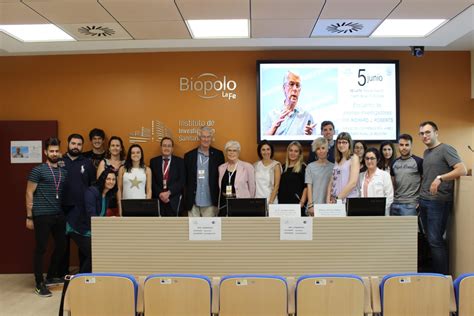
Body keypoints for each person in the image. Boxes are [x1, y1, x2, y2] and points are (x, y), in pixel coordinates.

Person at [418, 121, 466, 274]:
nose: (424, 136)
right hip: (425, 201)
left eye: (427, 132)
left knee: (435, 241)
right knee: (430, 240)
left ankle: (442, 279)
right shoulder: (426, 152)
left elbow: (462, 170)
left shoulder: (446, 149)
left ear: (436, 133)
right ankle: (435, 276)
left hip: (438, 202)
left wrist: (440, 177)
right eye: (421, 133)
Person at [25, 137, 67, 297]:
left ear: (60, 152)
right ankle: (38, 283)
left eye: (57, 151)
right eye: (51, 151)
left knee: (62, 246)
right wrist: (29, 217)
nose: (54, 153)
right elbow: (29, 192)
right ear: (45, 152)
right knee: (41, 249)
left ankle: (50, 276)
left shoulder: (63, 171)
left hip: (58, 214)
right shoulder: (38, 170)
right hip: (41, 215)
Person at [60, 133, 95, 277]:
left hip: (81, 210)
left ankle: (83, 273)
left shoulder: (87, 163)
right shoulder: (60, 161)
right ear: (68, 144)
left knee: (83, 244)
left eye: (79, 144)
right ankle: (61, 273)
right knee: (62, 244)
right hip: (61, 208)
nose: (76, 146)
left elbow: (92, 185)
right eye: (73, 143)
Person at [73, 168, 118, 273]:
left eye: (113, 179)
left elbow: (99, 216)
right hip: (79, 228)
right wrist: (108, 221)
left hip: (92, 229)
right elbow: (91, 215)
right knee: (94, 254)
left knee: (93, 254)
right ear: (103, 179)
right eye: (108, 179)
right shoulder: (92, 191)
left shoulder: (107, 195)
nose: (111, 182)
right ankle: (81, 281)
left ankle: (87, 278)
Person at [184, 126, 225, 217]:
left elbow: (221, 178)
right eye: (203, 136)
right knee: (193, 231)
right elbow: (185, 180)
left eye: (208, 137)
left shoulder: (218, 155)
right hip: (193, 203)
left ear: (211, 138)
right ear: (199, 138)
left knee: (209, 230)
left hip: (210, 203)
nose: (206, 139)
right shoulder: (189, 156)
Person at [263, 71, 316, 136]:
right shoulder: (272, 115)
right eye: (291, 84)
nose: (295, 89)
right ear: (284, 88)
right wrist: (274, 127)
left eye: (298, 85)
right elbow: (264, 142)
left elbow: (315, 143)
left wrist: (309, 136)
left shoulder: (307, 116)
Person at [218, 141, 256, 216]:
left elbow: (252, 189)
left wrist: (249, 204)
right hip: (224, 204)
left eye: (234, 150)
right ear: (226, 152)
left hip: (241, 204)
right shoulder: (221, 168)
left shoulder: (247, 167)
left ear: (238, 152)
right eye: (229, 150)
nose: (232, 153)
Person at [150, 137, 185, 216]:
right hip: (158, 201)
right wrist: (160, 194)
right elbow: (152, 181)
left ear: (172, 148)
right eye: (164, 145)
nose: (166, 148)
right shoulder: (153, 162)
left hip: (174, 201)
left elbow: (182, 181)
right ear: (161, 147)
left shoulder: (180, 162)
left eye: (169, 146)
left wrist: (169, 193)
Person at [390, 134, 423, 216]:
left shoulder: (419, 161)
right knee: (394, 229)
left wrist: (420, 201)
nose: (404, 147)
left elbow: (424, 182)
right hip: (395, 203)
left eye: (407, 145)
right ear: (398, 146)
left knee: (409, 229)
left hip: (411, 204)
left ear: (411, 146)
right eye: (401, 145)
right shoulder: (394, 162)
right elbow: (393, 184)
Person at [118, 144, 152, 213]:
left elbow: (149, 190)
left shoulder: (147, 170)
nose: (135, 154)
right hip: (126, 205)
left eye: (138, 152)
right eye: (133, 153)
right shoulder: (122, 169)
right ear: (129, 155)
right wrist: (120, 206)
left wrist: (147, 207)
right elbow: (119, 189)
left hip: (142, 205)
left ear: (141, 154)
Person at [358, 148, 394, 215]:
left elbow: (389, 197)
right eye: (367, 158)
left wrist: (378, 209)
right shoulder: (360, 176)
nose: (369, 161)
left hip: (380, 213)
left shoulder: (385, 175)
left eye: (372, 158)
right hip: (364, 212)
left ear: (378, 160)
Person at [327, 132, 360, 203]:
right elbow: (332, 181)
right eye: (339, 142)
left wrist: (337, 198)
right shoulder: (337, 160)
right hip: (335, 200)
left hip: (348, 200)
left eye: (344, 142)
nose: (341, 145)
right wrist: (328, 198)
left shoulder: (354, 158)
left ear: (349, 144)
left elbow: (353, 183)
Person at [96, 136, 125, 216]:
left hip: (124, 200)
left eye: (117, 145)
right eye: (112, 145)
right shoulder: (103, 163)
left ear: (121, 148)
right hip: (107, 202)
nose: (115, 148)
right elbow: (99, 184)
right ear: (109, 148)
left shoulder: (126, 164)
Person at [305, 137, 334, 216]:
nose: (321, 151)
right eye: (318, 148)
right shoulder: (310, 167)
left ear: (327, 149)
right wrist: (311, 205)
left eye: (323, 148)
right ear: (315, 151)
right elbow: (309, 187)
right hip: (314, 207)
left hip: (329, 207)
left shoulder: (334, 167)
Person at [278, 141, 307, 215]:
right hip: (283, 205)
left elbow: (306, 187)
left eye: (296, 151)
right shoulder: (283, 167)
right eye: (291, 150)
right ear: (288, 152)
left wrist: (302, 202)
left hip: (297, 205)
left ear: (299, 154)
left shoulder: (303, 167)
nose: (293, 153)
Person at [254, 140, 281, 205]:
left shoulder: (276, 165)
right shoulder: (255, 165)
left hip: (271, 200)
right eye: (263, 150)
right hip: (257, 200)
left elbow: (276, 186)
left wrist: (270, 202)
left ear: (271, 151)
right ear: (260, 151)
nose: (266, 152)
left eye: (268, 149)